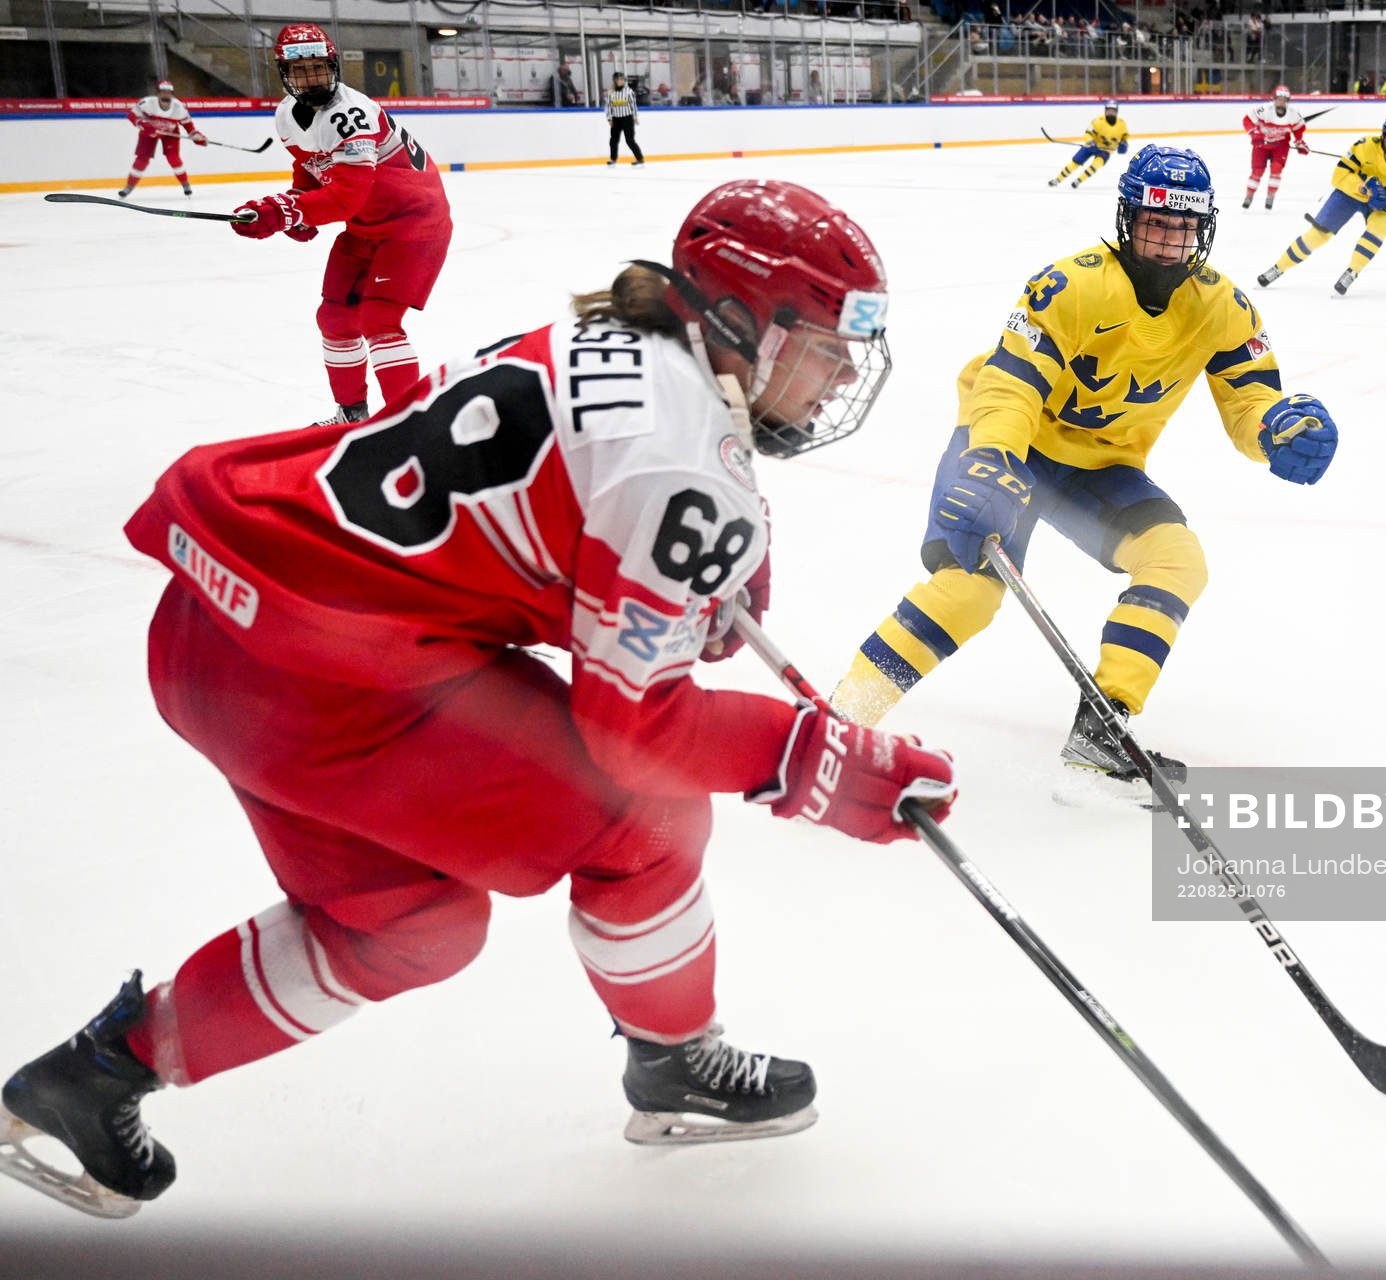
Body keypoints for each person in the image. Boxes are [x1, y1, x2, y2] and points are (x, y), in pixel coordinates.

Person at [0, 179, 957, 1220]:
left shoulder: (600, 335)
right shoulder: (687, 462)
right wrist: (814, 759)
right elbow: (635, 731)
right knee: (648, 817)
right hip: (329, 677)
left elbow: (526, 530)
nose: (845, 372)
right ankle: (675, 1061)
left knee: (411, 922)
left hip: (221, 641)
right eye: (828, 339)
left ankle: (91, 1077)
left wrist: (677, 592)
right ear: (739, 320)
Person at [831, 146, 1337, 805]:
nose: (1167, 243)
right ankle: (837, 725)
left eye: (1182, 229)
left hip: (1101, 471)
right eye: (1156, 225)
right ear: (1128, 221)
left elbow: (1248, 400)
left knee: (1177, 561)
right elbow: (1010, 386)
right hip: (1007, 449)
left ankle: (1103, 733)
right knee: (968, 592)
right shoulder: (1070, 286)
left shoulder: (1223, 307)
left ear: (1203, 230)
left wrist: (1277, 429)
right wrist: (990, 458)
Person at [229, 23, 454, 427]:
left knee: (379, 321)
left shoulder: (350, 114)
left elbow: (348, 196)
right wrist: (295, 203)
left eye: (317, 68)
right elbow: (312, 171)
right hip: (366, 226)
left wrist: (287, 211)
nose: (310, 78)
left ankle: (407, 426)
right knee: (334, 319)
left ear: (332, 65)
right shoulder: (286, 115)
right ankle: (352, 415)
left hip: (414, 224)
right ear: (284, 73)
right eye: (299, 71)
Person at [1256, 113, 1386, 297]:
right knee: (1318, 235)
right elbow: (1339, 175)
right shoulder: (1364, 146)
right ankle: (1278, 268)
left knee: (1377, 230)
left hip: (1384, 202)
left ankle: (1353, 271)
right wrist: (1364, 188)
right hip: (1350, 194)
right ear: (1383, 136)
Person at [119, 79, 205, 199]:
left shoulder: (179, 108)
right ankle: (128, 187)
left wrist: (197, 137)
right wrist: (142, 124)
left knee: (173, 158)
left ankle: (185, 184)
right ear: (158, 93)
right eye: (163, 91)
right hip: (148, 132)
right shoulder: (147, 103)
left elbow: (189, 128)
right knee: (142, 159)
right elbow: (132, 115)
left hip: (170, 133)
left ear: (172, 93)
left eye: (168, 92)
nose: (165, 94)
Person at [1241, 83, 1310, 210]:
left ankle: (1270, 196)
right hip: (1261, 144)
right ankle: (1249, 196)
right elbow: (1247, 120)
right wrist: (1253, 132)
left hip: (1281, 146)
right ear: (1274, 99)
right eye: (1279, 99)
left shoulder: (1293, 114)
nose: (1281, 102)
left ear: (1287, 101)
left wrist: (1299, 142)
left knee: (1276, 169)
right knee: (1257, 171)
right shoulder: (1264, 109)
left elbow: (1299, 129)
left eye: (1284, 100)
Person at [1049, 98, 1129, 189]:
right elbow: (1088, 132)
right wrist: (1090, 141)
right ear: (1105, 110)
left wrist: (1124, 144)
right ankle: (1058, 179)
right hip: (1092, 146)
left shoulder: (1122, 125)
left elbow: (1124, 137)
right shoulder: (1098, 121)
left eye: (1113, 110)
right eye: (1109, 110)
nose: (1111, 112)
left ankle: (1078, 180)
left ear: (1116, 111)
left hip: (1105, 151)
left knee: (1095, 165)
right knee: (1076, 161)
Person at [606, 71, 645, 165]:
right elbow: (609, 106)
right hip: (616, 119)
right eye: (618, 79)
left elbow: (633, 105)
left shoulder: (629, 91)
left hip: (627, 118)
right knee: (613, 140)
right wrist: (609, 118)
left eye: (622, 79)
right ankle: (613, 159)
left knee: (629, 140)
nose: (620, 81)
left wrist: (635, 117)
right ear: (615, 81)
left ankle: (639, 158)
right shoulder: (611, 92)